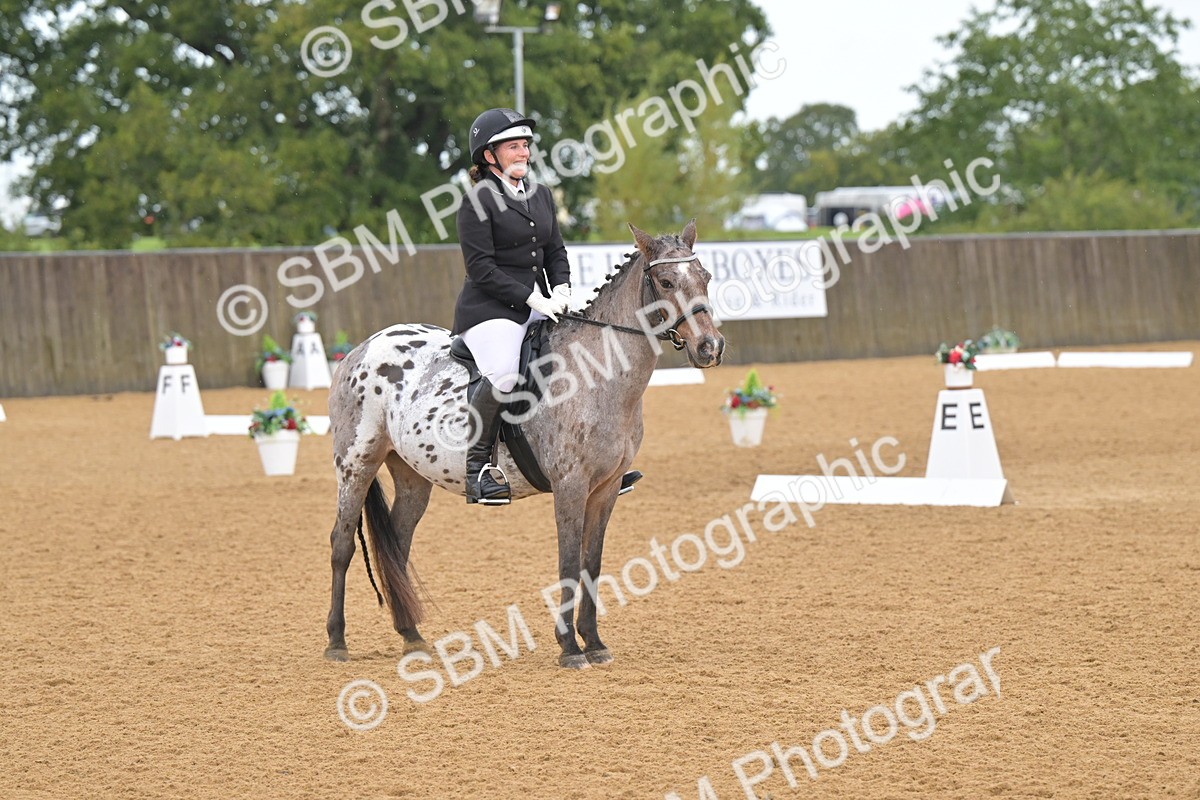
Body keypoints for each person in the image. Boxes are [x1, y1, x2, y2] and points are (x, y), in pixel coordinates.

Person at [453, 108, 572, 505]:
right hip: (489, 310)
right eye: (513, 146)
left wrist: (563, 288)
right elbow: (481, 268)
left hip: (536, 302)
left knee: (581, 347)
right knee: (503, 375)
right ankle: (478, 470)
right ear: (490, 156)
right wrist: (531, 298)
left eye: (525, 145)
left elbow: (555, 250)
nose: (523, 153)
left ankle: (590, 454)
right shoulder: (477, 201)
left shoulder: (540, 195)